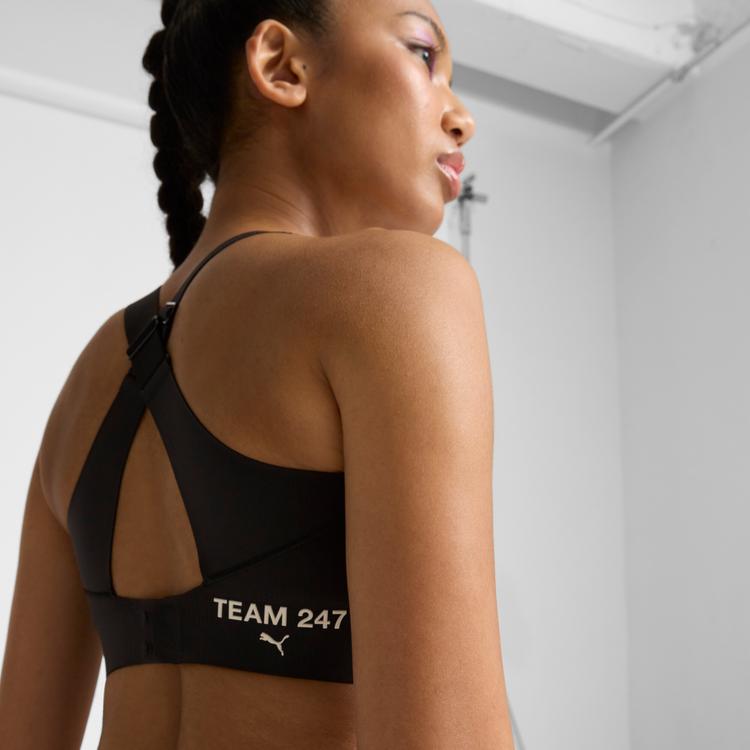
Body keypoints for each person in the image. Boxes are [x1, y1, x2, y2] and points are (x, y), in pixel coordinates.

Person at [0, 0, 516, 747]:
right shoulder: (399, 290)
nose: (460, 117)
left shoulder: (91, 374)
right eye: (422, 54)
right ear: (280, 65)